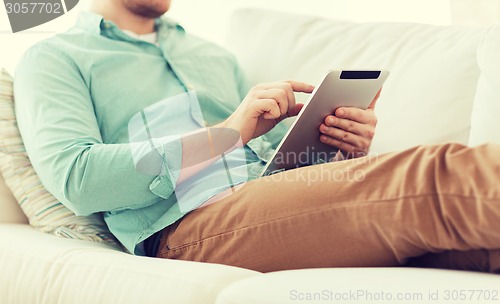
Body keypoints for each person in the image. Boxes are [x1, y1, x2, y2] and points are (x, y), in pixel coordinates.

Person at [14, 0, 500, 273]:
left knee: (477, 253)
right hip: (183, 224)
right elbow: (78, 179)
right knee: (434, 171)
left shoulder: (212, 57)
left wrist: (335, 146)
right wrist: (228, 133)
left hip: (263, 195)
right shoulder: (57, 56)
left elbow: (263, 161)